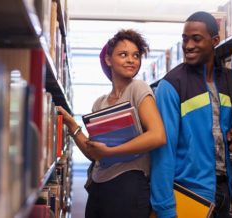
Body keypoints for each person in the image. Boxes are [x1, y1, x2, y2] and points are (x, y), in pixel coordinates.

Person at [57, 29, 166, 218]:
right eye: (123, 54)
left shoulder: (138, 88)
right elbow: (94, 154)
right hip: (98, 186)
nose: (131, 60)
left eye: (136, 55)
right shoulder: (100, 103)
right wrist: (71, 124)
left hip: (129, 186)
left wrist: (111, 152)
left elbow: (158, 135)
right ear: (108, 59)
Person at [150, 11, 232, 218]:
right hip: (189, 193)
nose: (188, 45)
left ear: (214, 41)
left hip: (224, 192)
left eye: (196, 39)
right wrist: (165, 209)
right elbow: (162, 153)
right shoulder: (171, 85)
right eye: (184, 39)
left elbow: (231, 131)